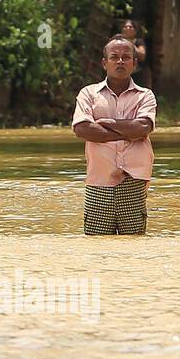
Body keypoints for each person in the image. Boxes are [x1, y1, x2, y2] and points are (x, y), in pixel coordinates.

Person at [71, 36, 157, 235]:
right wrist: (129, 132)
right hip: (98, 181)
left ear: (134, 64)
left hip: (133, 182)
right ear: (104, 63)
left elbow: (143, 127)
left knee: (134, 246)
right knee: (96, 248)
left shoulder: (145, 95)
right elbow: (82, 129)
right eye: (114, 57)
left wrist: (107, 124)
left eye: (126, 57)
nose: (120, 61)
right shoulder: (88, 94)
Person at [120, 19, 148, 86]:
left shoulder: (138, 42)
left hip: (135, 75)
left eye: (130, 27)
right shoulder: (118, 41)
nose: (127, 28)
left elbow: (142, 55)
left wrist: (130, 43)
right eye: (125, 27)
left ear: (135, 31)